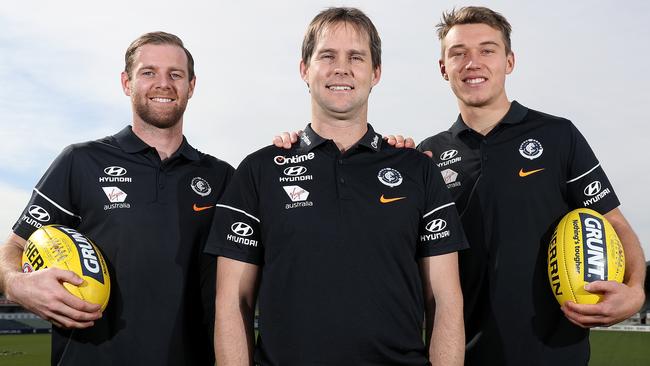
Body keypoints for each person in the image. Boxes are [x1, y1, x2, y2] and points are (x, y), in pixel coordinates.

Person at [379, 6, 645, 366]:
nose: (473, 62)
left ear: (509, 61)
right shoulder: (428, 155)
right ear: (443, 68)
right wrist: (392, 164)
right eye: (458, 53)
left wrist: (634, 290)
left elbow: (612, 222)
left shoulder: (557, 135)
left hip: (556, 356)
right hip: (463, 357)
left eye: (487, 50)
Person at [206, 7, 468, 366]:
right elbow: (233, 301)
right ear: (304, 70)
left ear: (375, 73)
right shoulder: (258, 170)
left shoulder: (417, 169)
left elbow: (445, 301)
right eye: (327, 56)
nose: (341, 68)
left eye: (356, 57)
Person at [0, 32, 233, 365]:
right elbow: (13, 248)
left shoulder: (222, 176)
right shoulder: (80, 161)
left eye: (175, 74)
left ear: (191, 86)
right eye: (148, 72)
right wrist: (15, 283)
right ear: (127, 82)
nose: (163, 83)